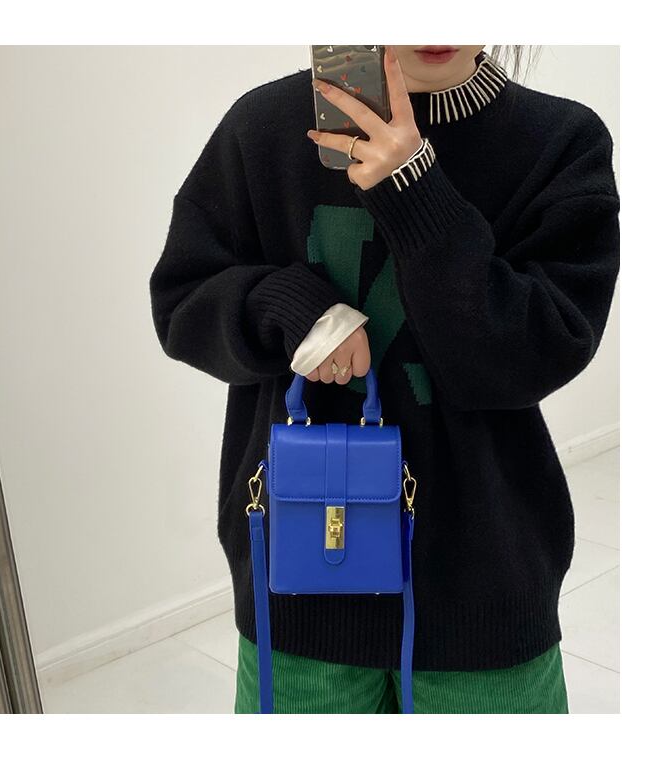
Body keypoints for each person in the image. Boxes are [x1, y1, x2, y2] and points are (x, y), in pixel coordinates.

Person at [148, 45, 620, 713]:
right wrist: (286, 307)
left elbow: (531, 352)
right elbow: (183, 299)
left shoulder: (559, 141)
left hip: (485, 587)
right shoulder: (263, 128)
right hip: (298, 584)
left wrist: (414, 185)